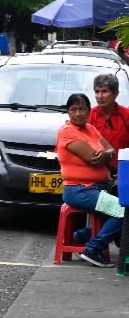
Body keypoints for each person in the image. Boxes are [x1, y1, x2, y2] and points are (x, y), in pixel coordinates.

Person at [56, 93, 123, 268]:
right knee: (123, 210)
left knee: (119, 206)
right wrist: (105, 154)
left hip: (98, 187)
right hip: (80, 189)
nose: (78, 113)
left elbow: (111, 150)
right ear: (68, 112)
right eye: (73, 109)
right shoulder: (67, 131)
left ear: (88, 111)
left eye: (82, 109)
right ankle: (93, 249)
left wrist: (107, 153)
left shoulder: (90, 129)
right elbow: (93, 158)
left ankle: (81, 237)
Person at [87, 73, 129, 175]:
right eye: (97, 92)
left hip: (122, 173)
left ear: (115, 94)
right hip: (94, 173)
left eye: (104, 91)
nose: (100, 96)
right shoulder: (89, 115)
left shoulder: (126, 115)